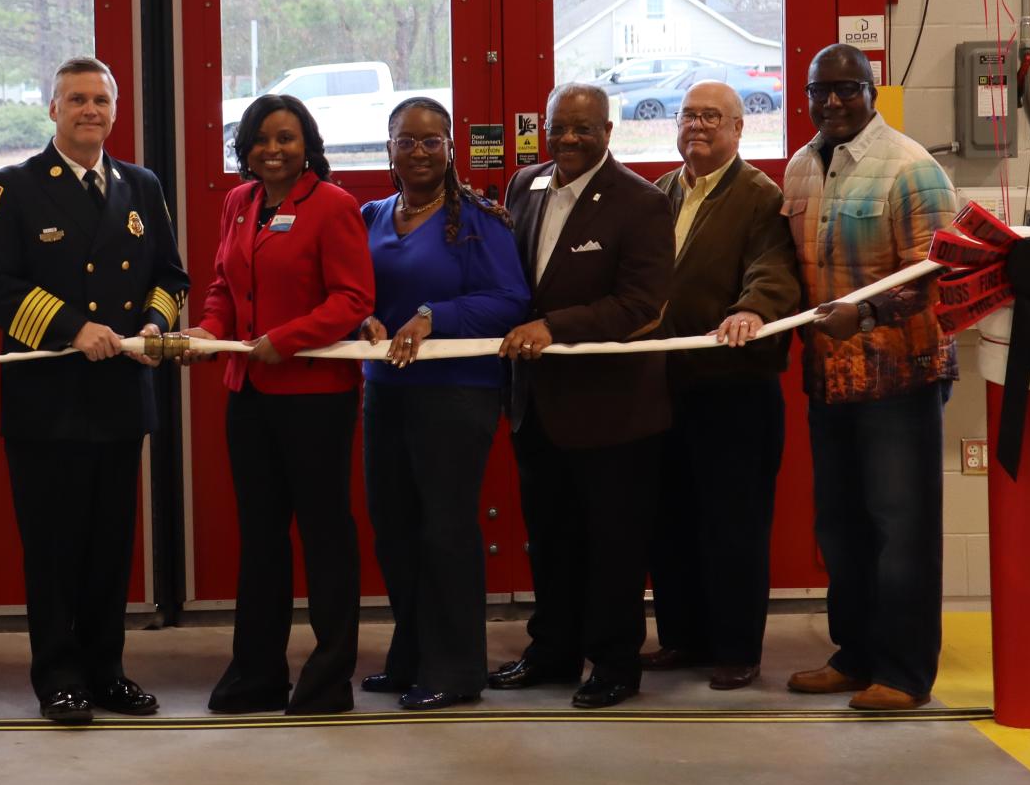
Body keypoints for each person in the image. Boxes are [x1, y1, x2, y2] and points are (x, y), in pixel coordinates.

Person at [0, 56, 191, 724]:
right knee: (55, 547)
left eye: (101, 99)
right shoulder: (10, 187)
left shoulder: (142, 185)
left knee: (111, 544)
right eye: (76, 99)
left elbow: (172, 277)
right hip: (49, 397)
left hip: (121, 395)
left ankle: (108, 669)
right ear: (52, 108)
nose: (90, 109)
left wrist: (154, 325)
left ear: (115, 109)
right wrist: (72, 328)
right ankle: (58, 676)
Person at [181, 95, 374, 716]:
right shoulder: (238, 204)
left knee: (324, 537)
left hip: (315, 399)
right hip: (249, 395)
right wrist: (210, 332)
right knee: (261, 540)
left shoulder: (333, 206)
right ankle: (256, 675)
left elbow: (352, 299)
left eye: (286, 139)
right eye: (261, 139)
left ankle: (327, 680)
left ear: (307, 143)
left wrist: (283, 341)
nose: (273, 150)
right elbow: (221, 287)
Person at [783, 45, 958, 711]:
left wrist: (866, 313)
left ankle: (905, 671)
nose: (831, 102)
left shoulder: (913, 168)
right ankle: (853, 656)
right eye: (819, 91)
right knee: (841, 527)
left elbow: (940, 275)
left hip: (899, 378)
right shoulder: (802, 167)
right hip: (829, 379)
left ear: (872, 90)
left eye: (846, 89)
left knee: (901, 528)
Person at [493, 81, 673, 710]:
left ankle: (616, 664)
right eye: (558, 127)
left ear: (607, 132)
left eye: (582, 129)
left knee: (613, 545)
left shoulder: (641, 202)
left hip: (613, 413)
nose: (568, 139)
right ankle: (552, 652)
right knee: (550, 539)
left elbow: (641, 304)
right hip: (535, 406)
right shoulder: (525, 185)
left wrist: (554, 328)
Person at [357, 97, 530, 711]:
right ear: (389, 150)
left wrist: (434, 317)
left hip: (457, 395)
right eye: (407, 141)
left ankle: (456, 671)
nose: (420, 152)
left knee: (446, 531)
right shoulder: (372, 215)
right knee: (395, 529)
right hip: (386, 394)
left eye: (432, 141)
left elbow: (512, 299)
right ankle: (411, 656)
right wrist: (365, 316)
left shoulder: (479, 219)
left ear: (452, 147)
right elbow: (352, 291)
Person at [641, 79, 802, 691]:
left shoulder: (761, 198)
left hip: (733, 389)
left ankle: (735, 648)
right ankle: (684, 638)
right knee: (671, 519)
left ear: (740, 129)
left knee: (732, 523)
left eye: (712, 116)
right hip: (665, 389)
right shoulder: (660, 193)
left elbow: (774, 269)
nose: (698, 126)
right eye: (688, 115)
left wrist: (752, 310)